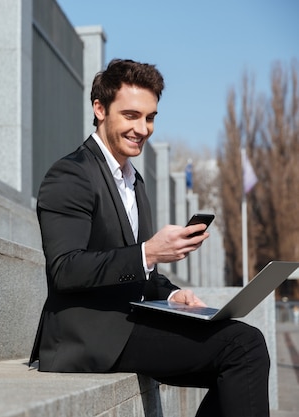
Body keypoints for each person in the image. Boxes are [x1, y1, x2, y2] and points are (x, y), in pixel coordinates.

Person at [29, 59, 270, 417]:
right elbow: (65, 269)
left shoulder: (133, 180)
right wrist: (149, 252)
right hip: (89, 335)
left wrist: (171, 294)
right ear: (99, 109)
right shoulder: (70, 175)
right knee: (244, 347)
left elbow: (136, 267)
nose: (142, 128)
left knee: (242, 348)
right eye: (130, 115)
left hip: (129, 323)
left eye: (150, 117)